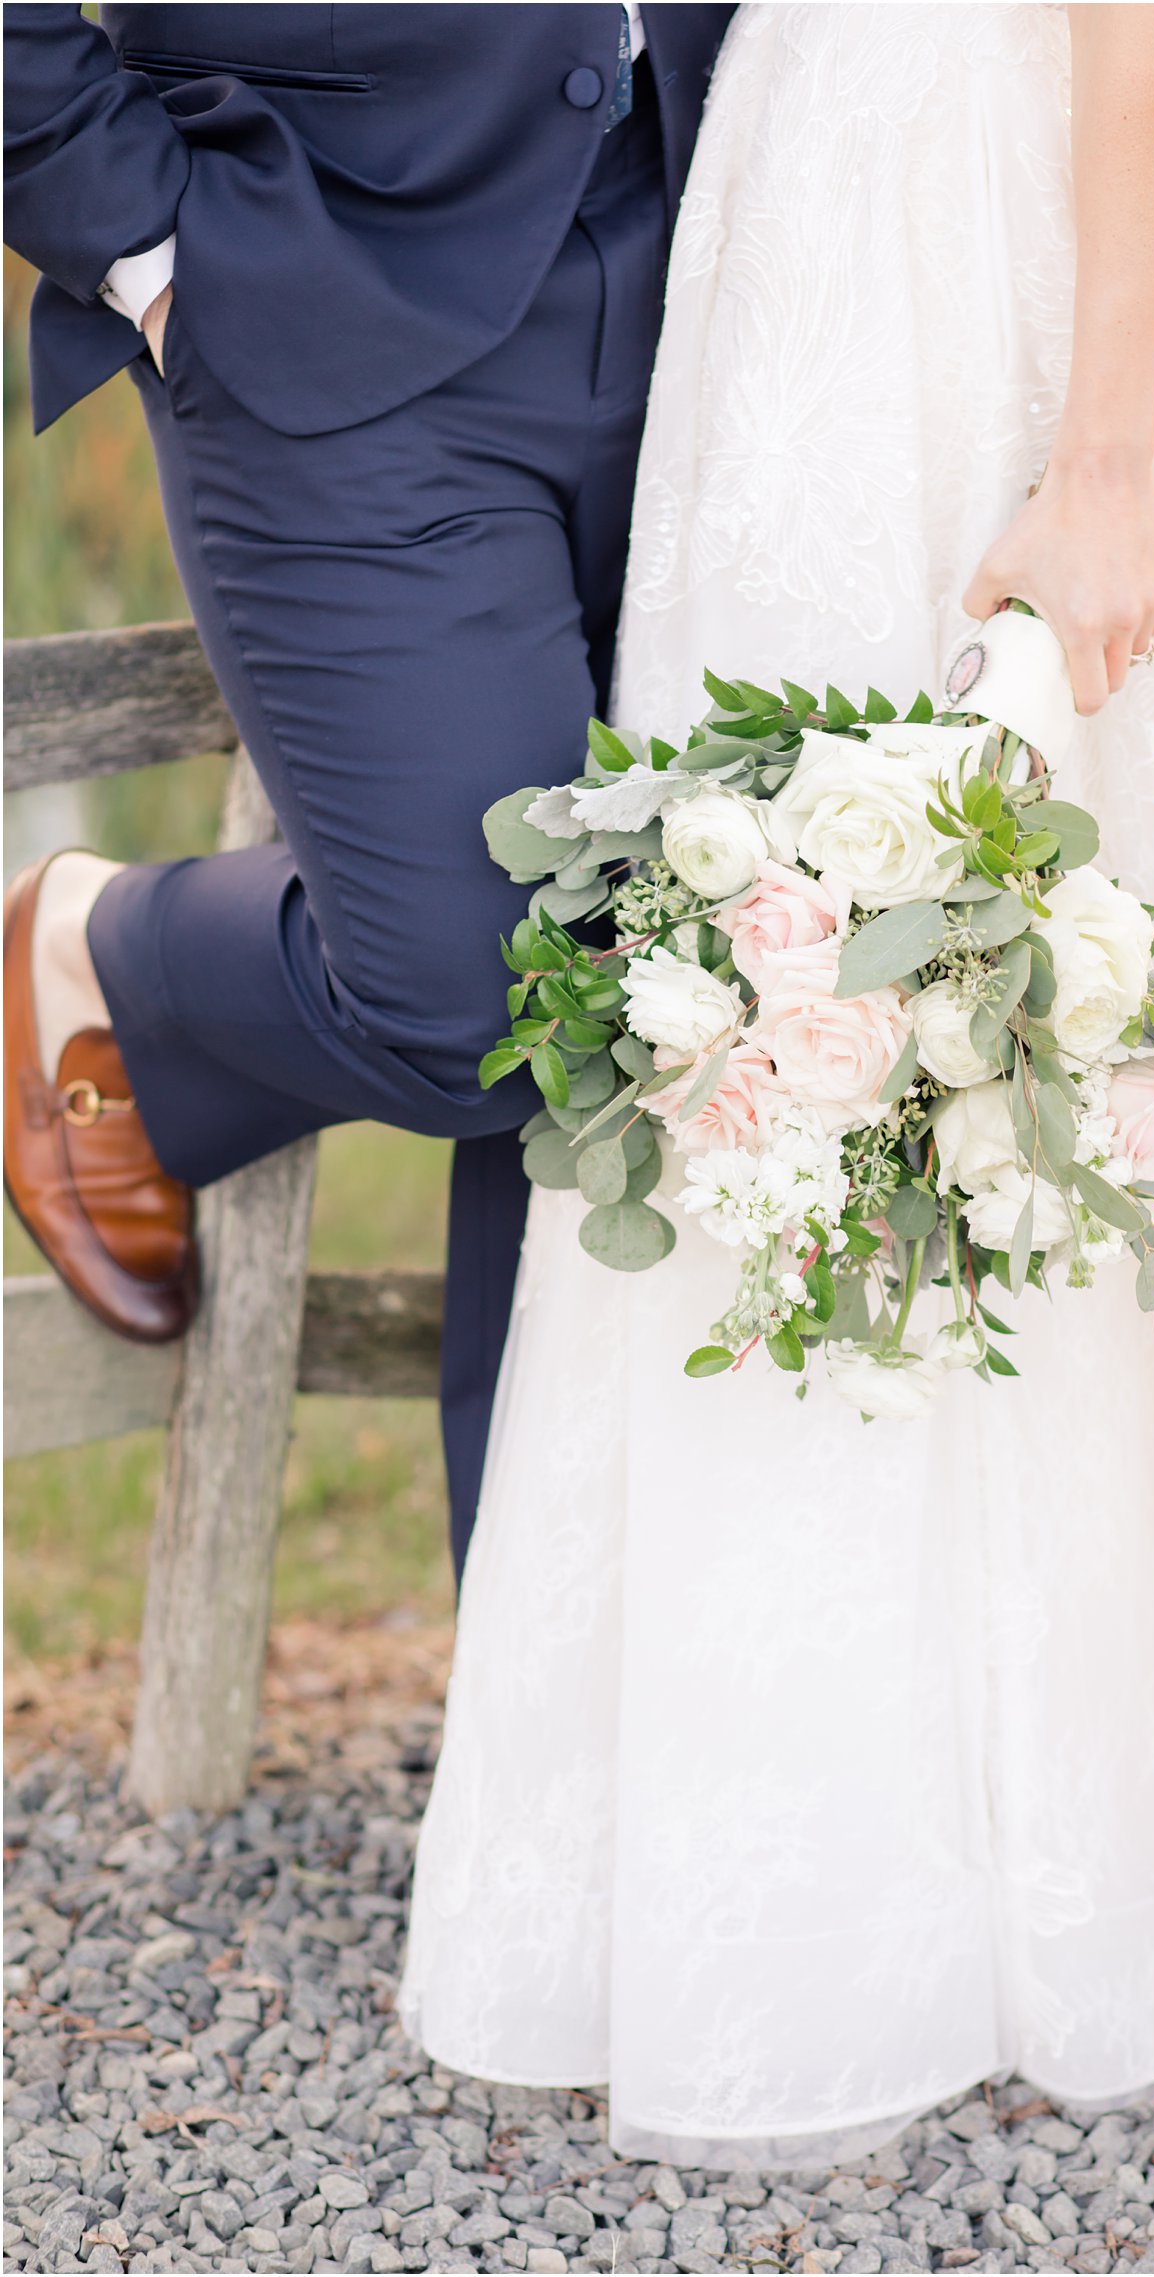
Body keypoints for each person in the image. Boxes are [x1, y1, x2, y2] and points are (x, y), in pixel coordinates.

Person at [400, 2, 1154, 2169]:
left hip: (989, 260)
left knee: (1129, 983)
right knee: (827, 995)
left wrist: (1099, 453)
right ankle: (890, 1845)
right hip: (794, 247)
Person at [2, 1, 733, 1578]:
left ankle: (541, 1712)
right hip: (312, 261)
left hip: (740, 242)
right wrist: (136, 239)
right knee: (494, 997)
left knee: (685, 959)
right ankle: (94, 947)